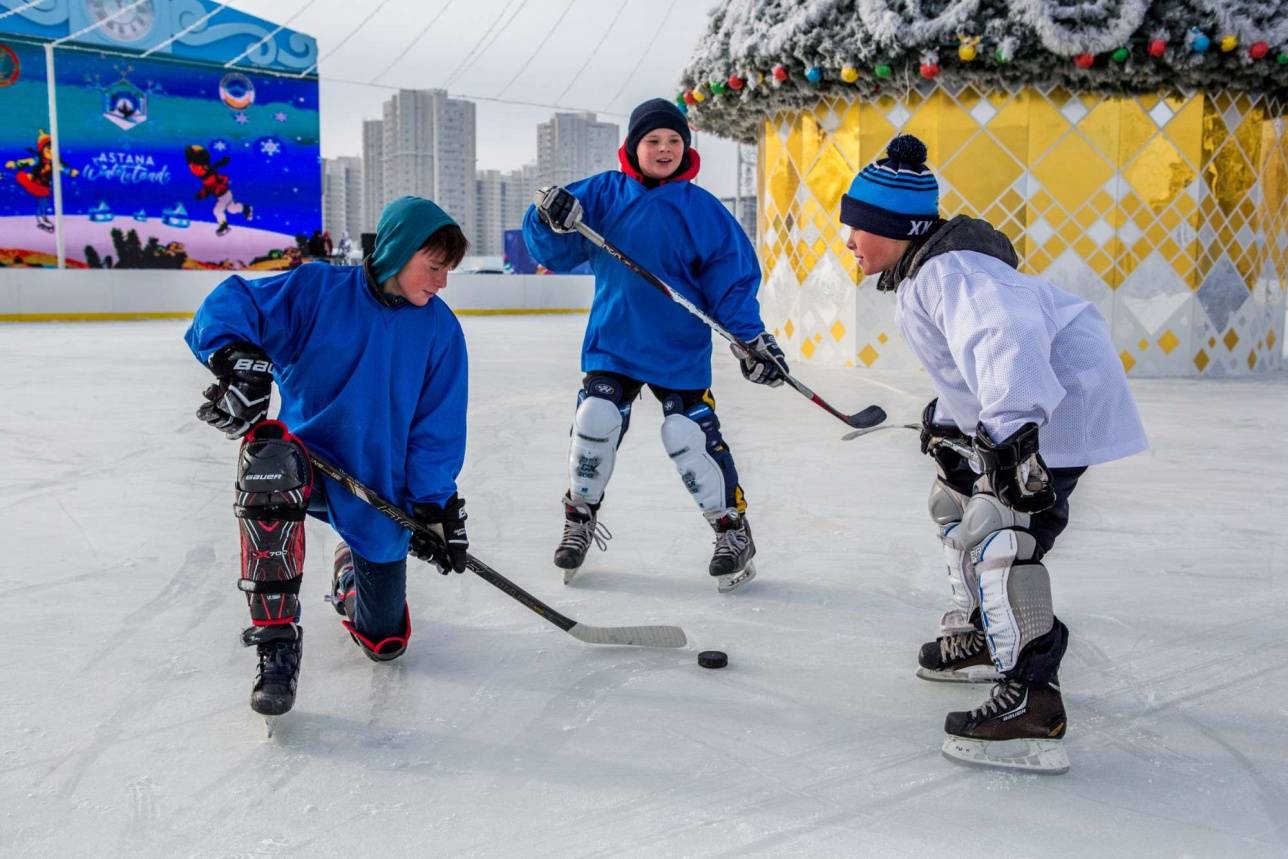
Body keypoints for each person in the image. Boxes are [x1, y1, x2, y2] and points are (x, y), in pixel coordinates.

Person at [838, 135, 1147, 772]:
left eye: (858, 228)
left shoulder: (954, 271)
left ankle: (1033, 699)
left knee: (1005, 536)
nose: (849, 241)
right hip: (1032, 408)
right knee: (954, 507)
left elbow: (1004, 341)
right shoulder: (930, 272)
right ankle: (984, 637)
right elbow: (965, 365)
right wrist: (951, 430)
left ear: (897, 228)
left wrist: (1009, 436)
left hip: (1055, 411)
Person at [184, 196, 472, 718]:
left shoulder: (440, 331)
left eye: (447, 271)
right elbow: (231, 304)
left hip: (375, 488)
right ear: (397, 253)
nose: (441, 282)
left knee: (384, 641)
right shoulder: (317, 290)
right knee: (268, 469)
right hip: (303, 464)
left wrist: (432, 508)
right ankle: (276, 645)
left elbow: (437, 429)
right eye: (433, 267)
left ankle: (347, 575)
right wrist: (237, 364)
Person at [522, 98, 787, 593]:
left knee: (688, 437)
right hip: (614, 342)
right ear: (633, 146)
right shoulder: (602, 192)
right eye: (653, 141)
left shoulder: (701, 209)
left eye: (674, 141)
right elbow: (554, 248)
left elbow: (731, 282)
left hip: (678, 350)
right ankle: (579, 517)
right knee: (595, 422)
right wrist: (547, 217)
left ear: (685, 148)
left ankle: (732, 531)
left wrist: (749, 339)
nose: (664, 149)